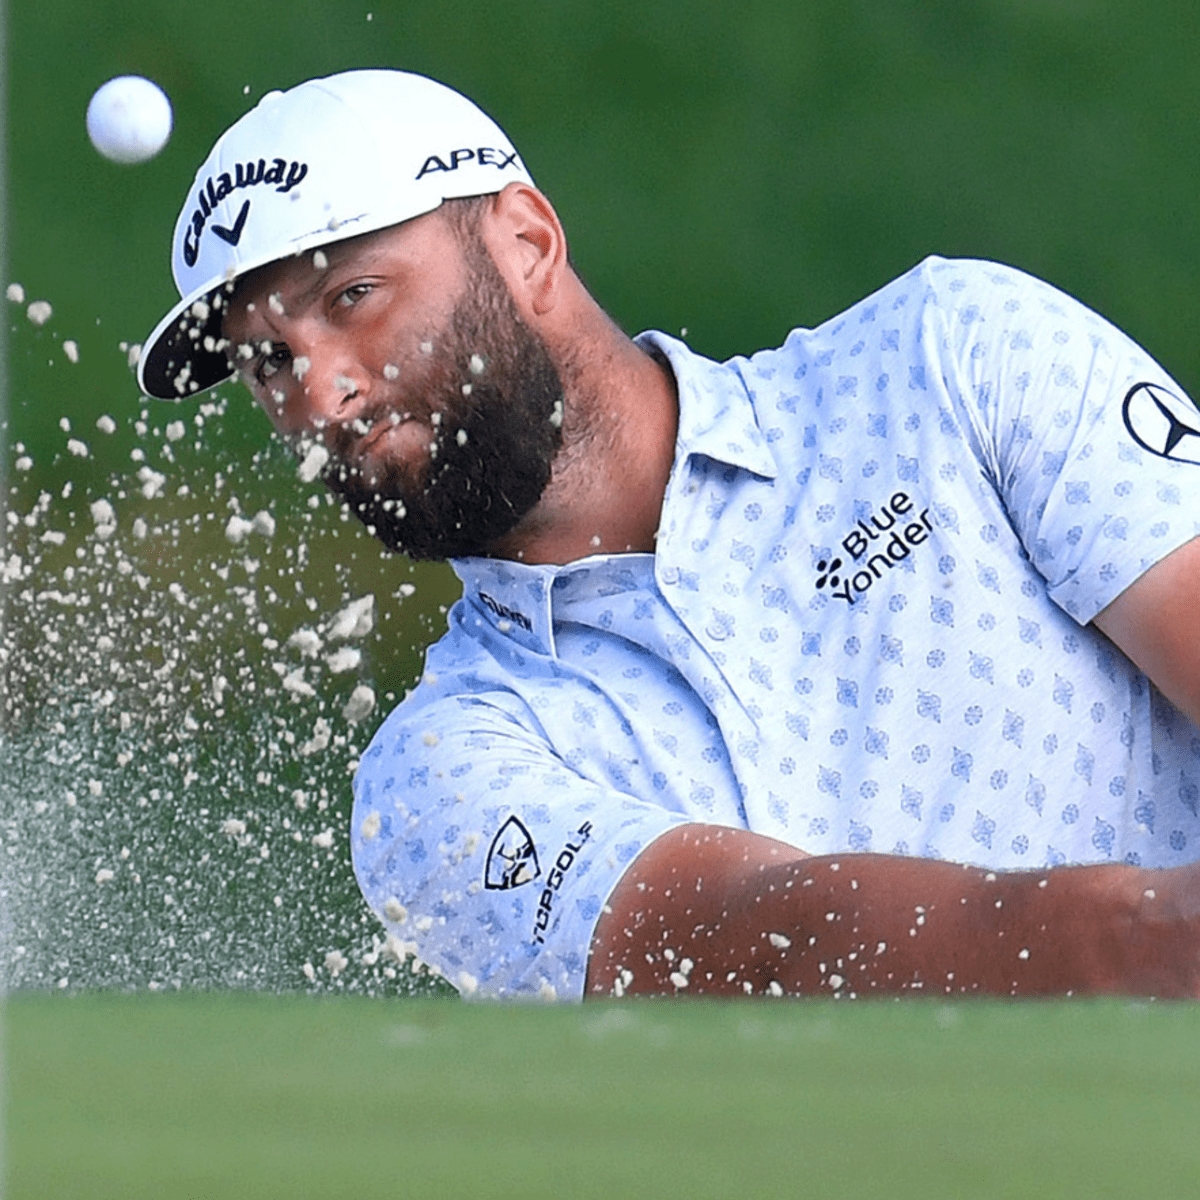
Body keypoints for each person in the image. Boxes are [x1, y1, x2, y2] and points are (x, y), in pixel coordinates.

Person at [140, 69, 1200, 1002]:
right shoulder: (435, 779)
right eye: (267, 361)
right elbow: (757, 949)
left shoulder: (953, 359)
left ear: (526, 244)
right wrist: (1138, 937)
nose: (319, 394)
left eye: (353, 297)